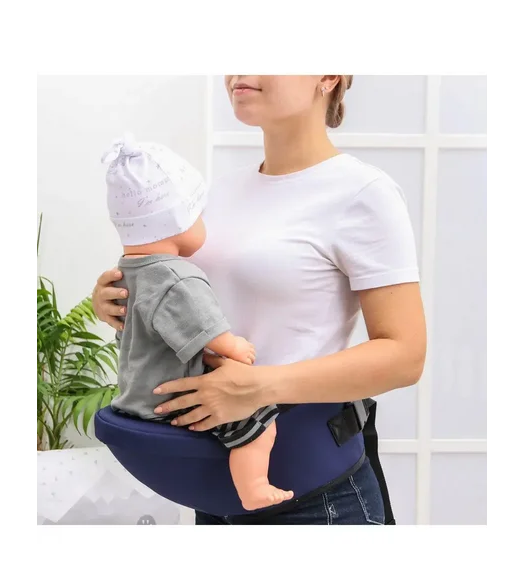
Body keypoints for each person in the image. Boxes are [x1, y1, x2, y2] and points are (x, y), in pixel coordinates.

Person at [92, 75, 427, 525]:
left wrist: (259, 387)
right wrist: (119, 298)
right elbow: (184, 301)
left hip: (314, 500)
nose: (239, 74)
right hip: (212, 488)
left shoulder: (362, 192)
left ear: (328, 76)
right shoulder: (215, 193)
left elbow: (405, 356)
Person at [101, 136, 293, 511]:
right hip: (173, 399)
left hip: (136, 395)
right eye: (198, 215)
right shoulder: (178, 276)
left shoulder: (123, 274)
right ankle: (254, 486)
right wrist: (234, 347)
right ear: (175, 222)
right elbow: (206, 327)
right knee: (259, 424)